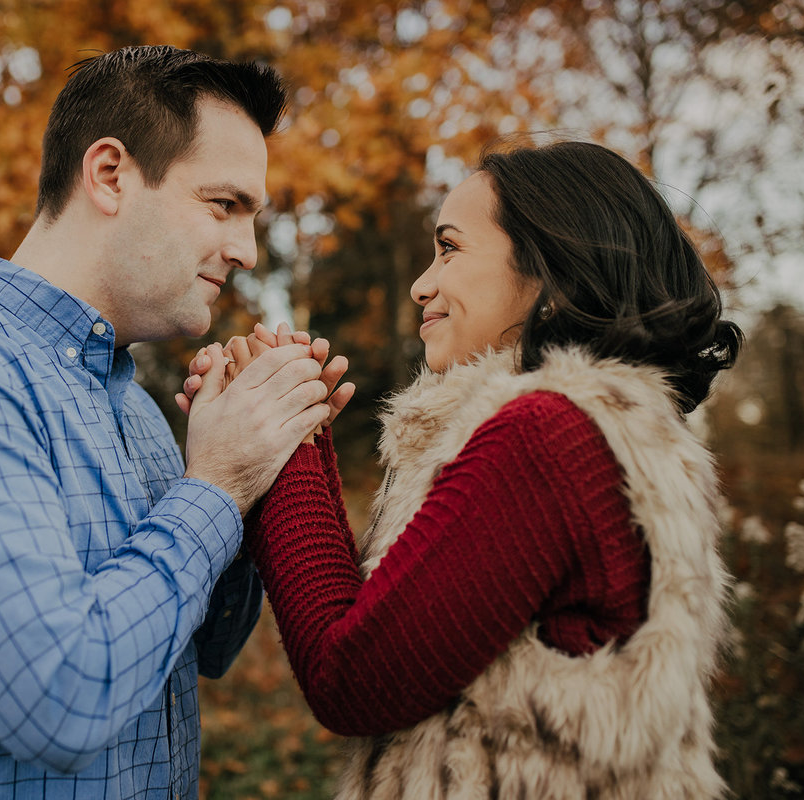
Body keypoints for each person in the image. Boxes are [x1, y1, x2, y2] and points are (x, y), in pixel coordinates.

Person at [0, 45, 339, 800]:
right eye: (224, 205)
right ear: (110, 175)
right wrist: (218, 485)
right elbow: (60, 697)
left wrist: (266, 460)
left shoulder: (134, 409)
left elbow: (207, 647)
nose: (246, 251)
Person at [183, 138, 743, 798]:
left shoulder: (546, 437)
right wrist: (292, 433)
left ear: (551, 273)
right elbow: (389, 629)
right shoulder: (616, 428)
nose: (424, 283)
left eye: (449, 248)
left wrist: (279, 445)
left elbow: (353, 682)